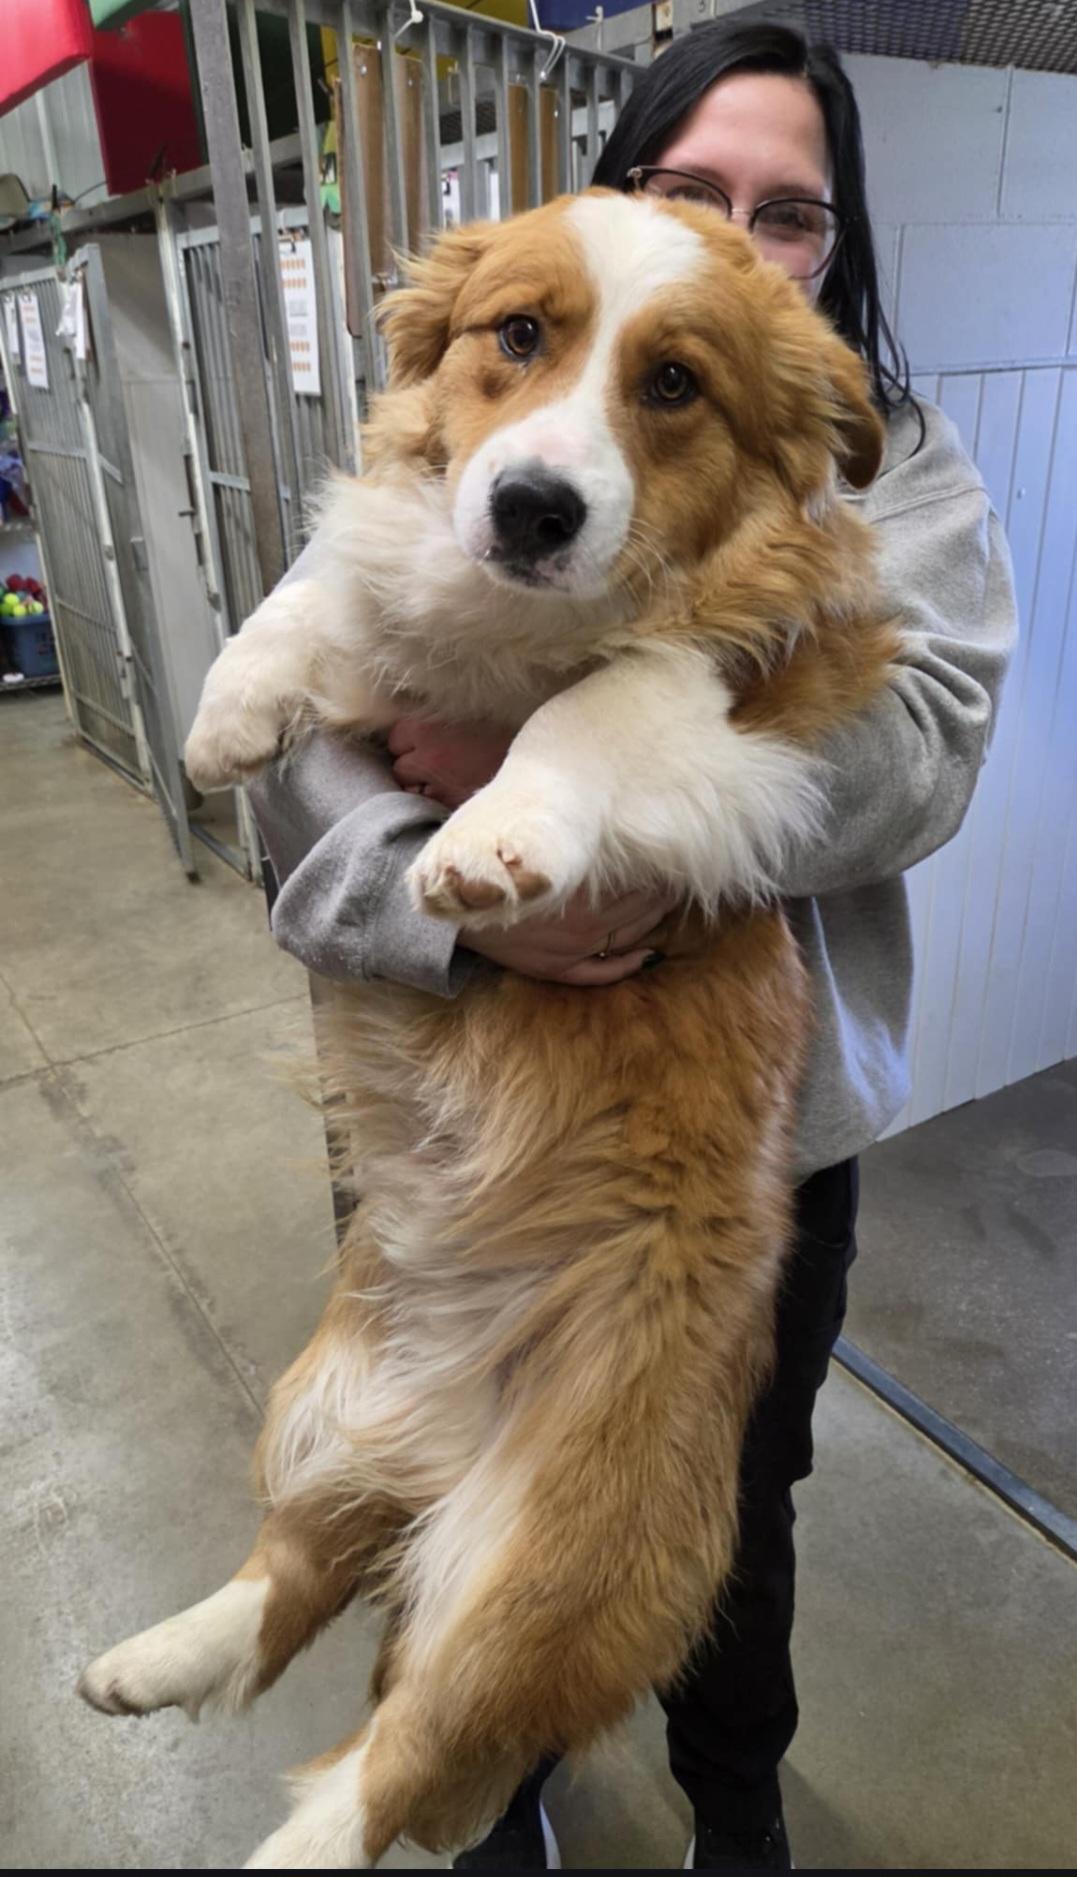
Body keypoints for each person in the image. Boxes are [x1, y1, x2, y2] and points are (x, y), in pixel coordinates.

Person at [248, 19, 1016, 1872]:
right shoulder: (486, 414)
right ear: (613, 184)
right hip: (461, 1095)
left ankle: (731, 1794)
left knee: (724, 1497)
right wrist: (450, 914)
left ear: (838, 246)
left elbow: (918, 759)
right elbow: (290, 744)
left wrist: (630, 839)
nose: (745, 235)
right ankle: (467, 1788)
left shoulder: (887, 466)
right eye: (693, 190)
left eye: (793, 210)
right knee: (428, 1447)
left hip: (743, 1136)